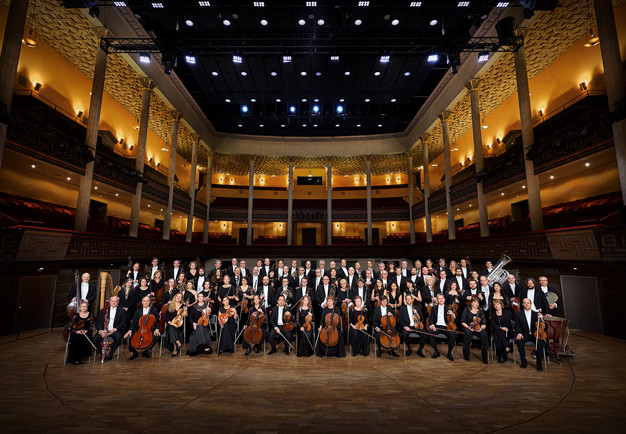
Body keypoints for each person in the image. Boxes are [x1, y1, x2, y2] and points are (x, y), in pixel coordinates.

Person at [515, 298, 548, 371]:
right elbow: (517, 325)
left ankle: (539, 364)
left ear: (531, 304)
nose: (526, 304)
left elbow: (546, 327)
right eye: (525, 303)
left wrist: (542, 319)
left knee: (540, 343)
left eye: (528, 303)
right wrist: (519, 333)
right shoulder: (518, 314)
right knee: (519, 342)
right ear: (523, 304)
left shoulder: (536, 314)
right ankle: (523, 361)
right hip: (524, 334)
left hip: (535, 334)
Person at [124, 295, 160, 360]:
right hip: (139, 329)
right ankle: (134, 352)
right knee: (131, 336)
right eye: (144, 301)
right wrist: (130, 330)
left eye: (147, 301)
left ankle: (145, 351)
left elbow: (157, 321)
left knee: (156, 336)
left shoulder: (154, 310)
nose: (146, 302)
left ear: (149, 302)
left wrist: (157, 329)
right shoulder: (137, 312)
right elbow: (134, 322)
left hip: (150, 329)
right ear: (142, 302)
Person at [93, 296, 125, 361]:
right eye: (112, 301)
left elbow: (122, 323)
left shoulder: (122, 311)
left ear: (118, 302)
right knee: (95, 340)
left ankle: (111, 353)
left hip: (115, 330)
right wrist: (101, 331)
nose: (114, 302)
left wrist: (114, 329)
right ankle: (102, 353)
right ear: (110, 302)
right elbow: (98, 323)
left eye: (115, 301)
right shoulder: (103, 310)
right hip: (104, 330)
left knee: (118, 338)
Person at [428, 293, 456, 361]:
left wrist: (453, 314)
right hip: (437, 326)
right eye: (439, 299)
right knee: (430, 333)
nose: (440, 300)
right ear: (437, 300)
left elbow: (454, 319)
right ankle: (436, 351)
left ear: (444, 299)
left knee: (452, 334)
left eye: (442, 298)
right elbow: (431, 319)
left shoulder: (448, 308)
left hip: (447, 327)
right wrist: (432, 326)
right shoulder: (434, 308)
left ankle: (449, 353)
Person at [461, 297, 489, 364]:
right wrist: (468, 327)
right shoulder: (466, 310)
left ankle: (485, 357)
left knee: (484, 334)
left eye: (477, 302)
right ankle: (466, 355)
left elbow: (484, 323)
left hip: (478, 328)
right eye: (475, 302)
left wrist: (481, 328)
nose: (476, 304)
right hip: (468, 328)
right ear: (471, 303)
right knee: (468, 334)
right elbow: (462, 321)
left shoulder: (480, 311)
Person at [66, 301, 94, 365]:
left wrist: (86, 330)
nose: (84, 308)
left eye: (85, 306)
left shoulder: (90, 315)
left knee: (83, 338)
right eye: (82, 306)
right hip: (76, 332)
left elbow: (91, 326)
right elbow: (68, 327)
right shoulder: (75, 315)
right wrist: (76, 331)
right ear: (80, 308)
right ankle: (74, 359)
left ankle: (79, 358)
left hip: (85, 332)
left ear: (87, 307)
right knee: (75, 339)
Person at [491, 299, 514, 363]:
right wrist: (501, 328)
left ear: (501, 305)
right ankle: (504, 353)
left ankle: (501, 355)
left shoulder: (508, 313)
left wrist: (506, 328)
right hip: (497, 330)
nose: (496, 306)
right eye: (495, 304)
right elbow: (493, 324)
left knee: (499, 334)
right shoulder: (493, 314)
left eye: (498, 304)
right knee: (499, 332)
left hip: (507, 331)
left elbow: (513, 322)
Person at [165, 292, 186, 356]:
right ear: (175, 297)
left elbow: (184, 319)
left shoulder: (183, 306)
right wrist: (172, 324)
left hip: (179, 325)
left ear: (181, 298)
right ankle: (177, 344)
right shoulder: (170, 305)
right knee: (171, 328)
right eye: (177, 296)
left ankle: (175, 349)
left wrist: (186, 313)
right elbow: (167, 318)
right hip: (171, 324)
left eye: (180, 297)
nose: (178, 298)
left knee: (172, 329)